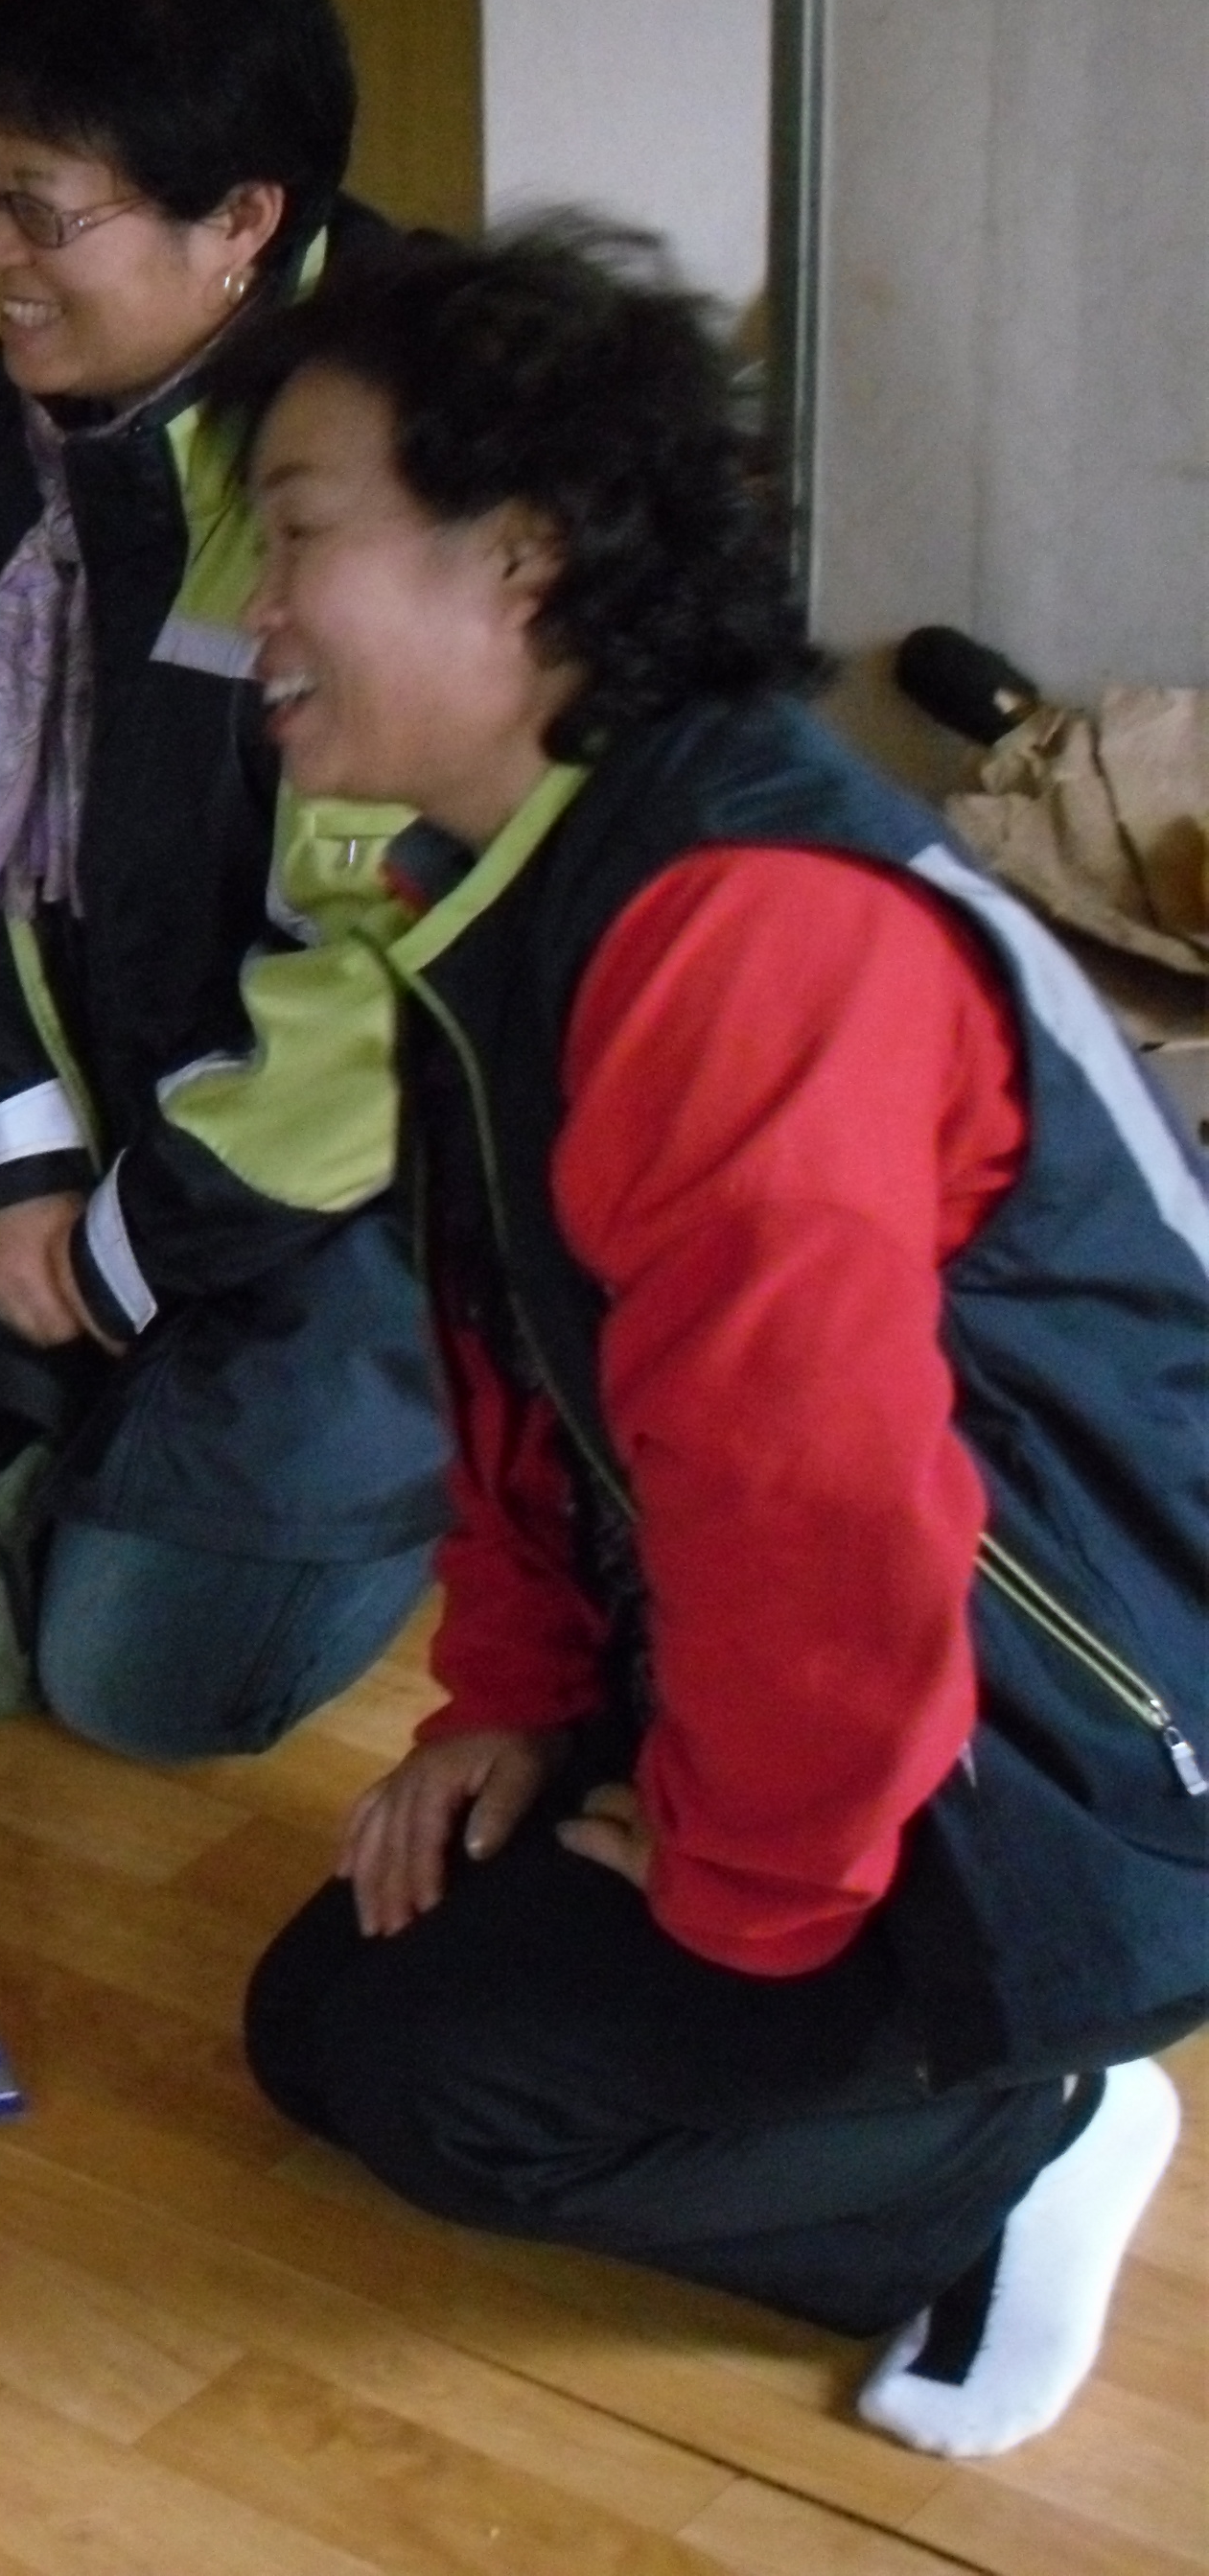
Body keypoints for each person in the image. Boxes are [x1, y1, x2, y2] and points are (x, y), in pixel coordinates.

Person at [216, 222, 1203, 2461]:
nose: (253, 612)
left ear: (520, 554)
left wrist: (744, 1892)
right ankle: (900, 2043)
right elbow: (513, 1355)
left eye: (295, 535)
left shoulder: (740, 929)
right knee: (326, 2015)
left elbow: (810, 1512)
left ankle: (1027, 2141)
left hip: (1081, 1759)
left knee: (445, 2085)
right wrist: (518, 1698)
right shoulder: (528, 865)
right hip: (886, 1675)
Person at [0, 0, 445, 1762]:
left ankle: (477, 1429)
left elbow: (377, 997)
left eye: (40, 208)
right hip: (119, 1102)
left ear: (239, 221)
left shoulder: (397, 470)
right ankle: (137, 1387)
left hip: (360, 1193)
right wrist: (18, 1157)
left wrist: (122, 1252)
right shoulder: (8, 436)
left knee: (137, 1682)